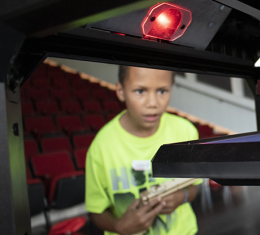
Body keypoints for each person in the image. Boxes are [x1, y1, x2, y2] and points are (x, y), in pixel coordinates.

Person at [85, 66, 201, 235]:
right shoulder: (101, 147)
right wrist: (119, 227)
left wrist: (181, 197)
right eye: (140, 91)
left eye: (162, 91)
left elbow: (194, 187)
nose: (152, 103)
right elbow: (96, 211)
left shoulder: (186, 132)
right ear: (120, 91)